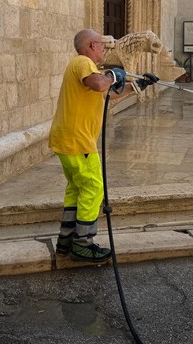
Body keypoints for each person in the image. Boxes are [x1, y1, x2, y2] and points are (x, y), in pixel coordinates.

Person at [49, 29, 159, 262]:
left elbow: (109, 92)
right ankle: (83, 244)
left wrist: (140, 84)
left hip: (68, 141)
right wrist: (113, 75)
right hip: (78, 142)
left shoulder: (85, 70)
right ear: (91, 46)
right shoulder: (82, 63)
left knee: (76, 190)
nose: (104, 49)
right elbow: (101, 85)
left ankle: (66, 241)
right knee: (93, 189)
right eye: (101, 45)